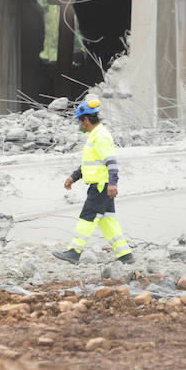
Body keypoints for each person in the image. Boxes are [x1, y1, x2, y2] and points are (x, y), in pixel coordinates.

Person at [52, 98, 134, 264]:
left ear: (86, 119)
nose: (79, 125)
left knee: (87, 217)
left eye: (80, 121)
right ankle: (125, 254)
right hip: (101, 186)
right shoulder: (94, 135)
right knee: (107, 222)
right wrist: (73, 177)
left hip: (101, 187)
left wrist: (113, 183)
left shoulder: (101, 137)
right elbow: (89, 164)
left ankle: (74, 251)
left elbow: (111, 162)